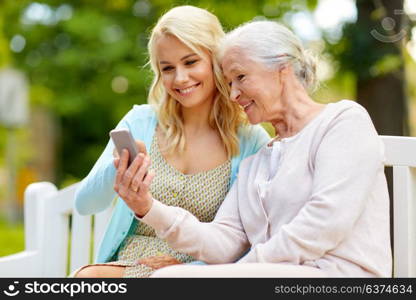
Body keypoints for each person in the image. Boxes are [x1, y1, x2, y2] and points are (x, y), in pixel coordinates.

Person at [115, 20, 392, 277]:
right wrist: (147, 206)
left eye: (240, 77)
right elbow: (223, 242)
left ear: (281, 69)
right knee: (167, 277)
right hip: (271, 277)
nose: (233, 94)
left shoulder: (342, 122)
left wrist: (238, 270)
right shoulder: (257, 160)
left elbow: (324, 223)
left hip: (338, 277)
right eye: (229, 83)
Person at [72, 7, 270, 278]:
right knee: (88, 280)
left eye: (190, 62)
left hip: (198, 274)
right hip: (128, 265)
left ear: (215, 60)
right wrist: (120, 168)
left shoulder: (250, 140)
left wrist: (190, 270)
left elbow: (251, 239)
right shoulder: (140, 122)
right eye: (167, 68)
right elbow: (85, 204)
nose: (180, 78)